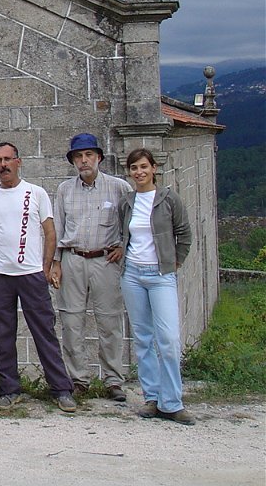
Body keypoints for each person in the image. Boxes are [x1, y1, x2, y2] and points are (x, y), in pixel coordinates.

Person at [0, 143, 77, 413]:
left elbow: (50, 232)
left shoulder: (36, 193)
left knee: (44, 331)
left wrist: (45, 266)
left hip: (31, 274)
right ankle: (9, 389)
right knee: (3, 335)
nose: (3, 165)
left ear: (18, 162)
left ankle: (61, 389)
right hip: (0, 277)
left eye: (8, 159)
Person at [52, 133, 132, 401]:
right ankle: (79, 379)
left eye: (88, 155)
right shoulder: (65, 190)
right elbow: (59, 227)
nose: (84, 161)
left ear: (98, 157)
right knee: (71, 321)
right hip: (73, 258)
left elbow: (132, 220)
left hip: (105, 260)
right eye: (78, 156)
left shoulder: (119, 187)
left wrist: (123, 245)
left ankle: (113, 380)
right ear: (73, 161)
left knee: (109, 321)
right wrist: (55, 263)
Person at [119, 148, 194, 425]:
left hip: (161, 275)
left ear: (153, 168)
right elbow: (122, 233)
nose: (139, 172)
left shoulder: (168, 198)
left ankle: (172, 402)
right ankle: (152, 398)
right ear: (129, 173)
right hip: (133, 275)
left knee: (169, 339)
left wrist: (176, 262)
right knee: (143, 338)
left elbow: (184, 232)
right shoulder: (127, 202)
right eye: (134, 168)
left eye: (143, 167)